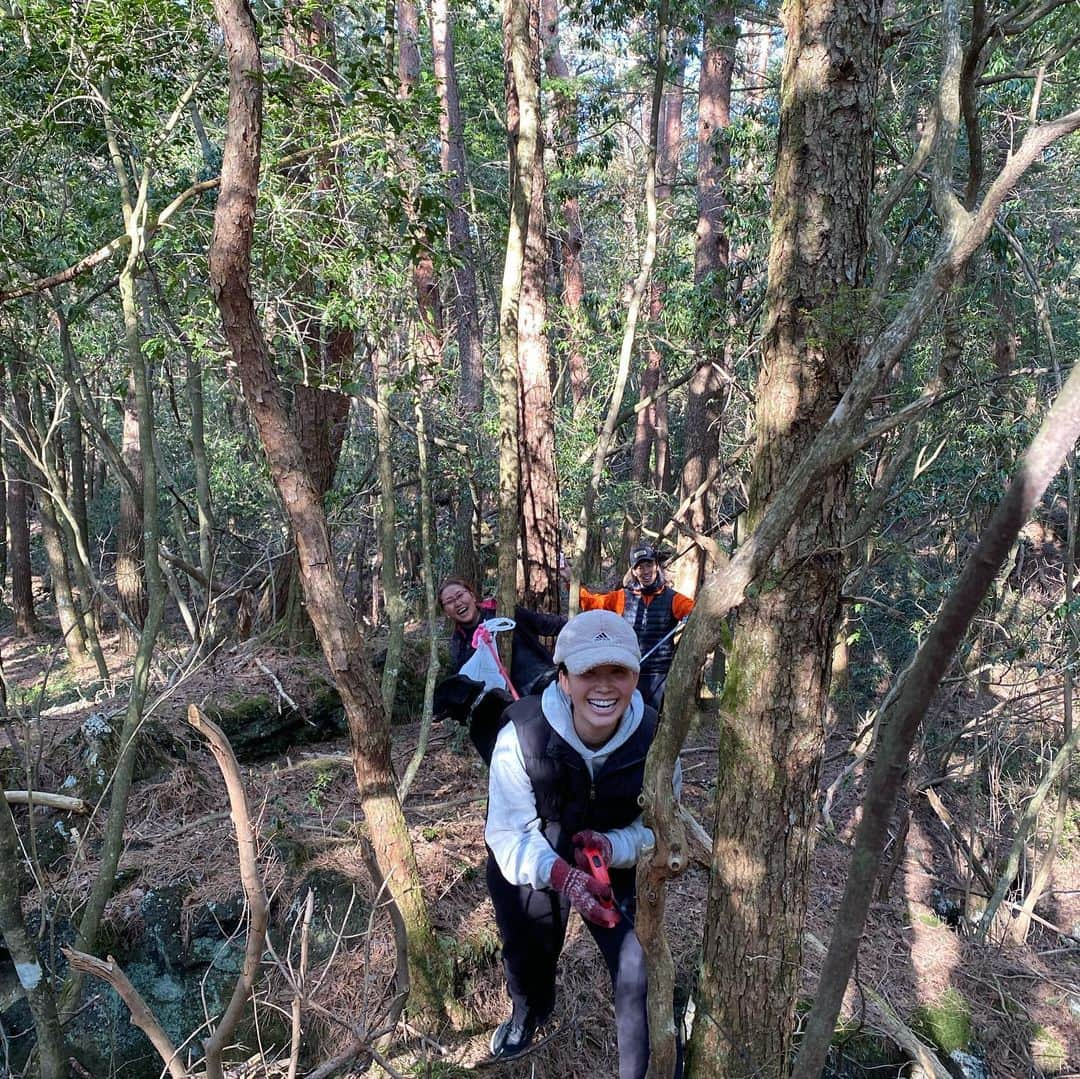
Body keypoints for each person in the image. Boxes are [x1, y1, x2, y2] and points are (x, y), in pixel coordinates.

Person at [484, 610, 681, 1076]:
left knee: (638, 966)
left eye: (618, 671)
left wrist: (615, 847)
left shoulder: (657, 738)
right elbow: (507, 832)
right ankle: (528, 1011)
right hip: (537, 846)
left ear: (635, 676)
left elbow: (661, 830)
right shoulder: (522, 733)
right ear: (565, 678)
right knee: (528, 941)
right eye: (589, 671)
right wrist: (562, 876)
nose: (604, 686)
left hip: (614, 850)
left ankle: (646, 1069)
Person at [434, 577, 566, 763]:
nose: (457, 603)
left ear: (472, 595)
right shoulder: (460, 645)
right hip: (515, 709)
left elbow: (544, 624)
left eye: (460, 595)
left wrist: (580, 624)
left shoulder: (503, 611)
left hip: (545, 680)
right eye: (449, 602)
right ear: (446, 612)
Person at [578, 545, 694, 712]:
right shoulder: (622, 597)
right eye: (639, 567)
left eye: (649, 565)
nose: (645, 571)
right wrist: (570, 582)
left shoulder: (673, 598)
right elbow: (592, 603)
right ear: (633, 571)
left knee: (653, 720)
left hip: (659, 675)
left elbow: (698, 612)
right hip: (628, 672)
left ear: (656, 566)